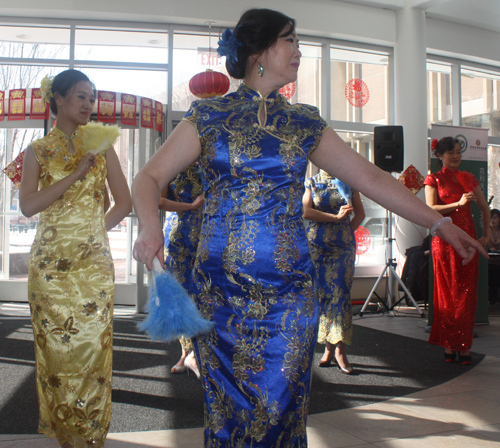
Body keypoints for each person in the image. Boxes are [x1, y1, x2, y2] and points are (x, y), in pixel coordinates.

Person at [132, 9, 486, 447]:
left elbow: (370, 178)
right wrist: (150, 229)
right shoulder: (209, 116)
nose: (299, 50)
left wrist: (437, 223)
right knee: (228, 413)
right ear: (261, 51)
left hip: (290, 293)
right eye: (291, 40)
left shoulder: (304, 121)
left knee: (282, 408)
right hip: (221, 291)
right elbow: (147, 178)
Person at [19, 69, 132, 448]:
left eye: (92, 97)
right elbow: (29, 205)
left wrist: (95, 234)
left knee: (91, 354)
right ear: (60, 100)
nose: (89, 104)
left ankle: (91, 436)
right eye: (82, 96)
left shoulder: (102, 144)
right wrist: (75, 174)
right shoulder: (37, 151)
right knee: (55, 355)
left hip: (92, 268)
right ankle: (67, 434)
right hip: (50, 269)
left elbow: (125, 203)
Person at [424, 136, 490, 365]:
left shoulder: (469, 178)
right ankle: (449, 344)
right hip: (443, 242)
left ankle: (464, 345)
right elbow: (430, 209)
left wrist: (486, 236)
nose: (455, 156)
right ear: (440, 155)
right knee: (447, 294)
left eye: (458, 152)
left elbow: (484, 208)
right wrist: (457, 204)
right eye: (450, 152)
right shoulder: (433, 179)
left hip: (468, 242)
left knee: (466, 294)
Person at [303, 171, 365, 374]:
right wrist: (336, 218)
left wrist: (345, 232)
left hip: (342, 249)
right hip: (317, 247)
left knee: (340, 296)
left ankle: (340, 349)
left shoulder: (349, 181)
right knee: (322, 296)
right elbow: (305, 211)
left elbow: (360, 214)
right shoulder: (312, 182)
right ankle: (328, 348)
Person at [160, 162, 204, 378]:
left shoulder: (211, 165)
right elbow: (159, 201)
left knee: (204, 294)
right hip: (177, 239)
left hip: (207, 237)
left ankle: (198, 354)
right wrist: (190, 206)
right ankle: (186, 352)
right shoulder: (172, 168)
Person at [488, 208, 500, 305]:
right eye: (490, 218)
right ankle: (491, 300)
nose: (492, 220)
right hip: (488, 261)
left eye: (495, 218)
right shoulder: (485, 232)